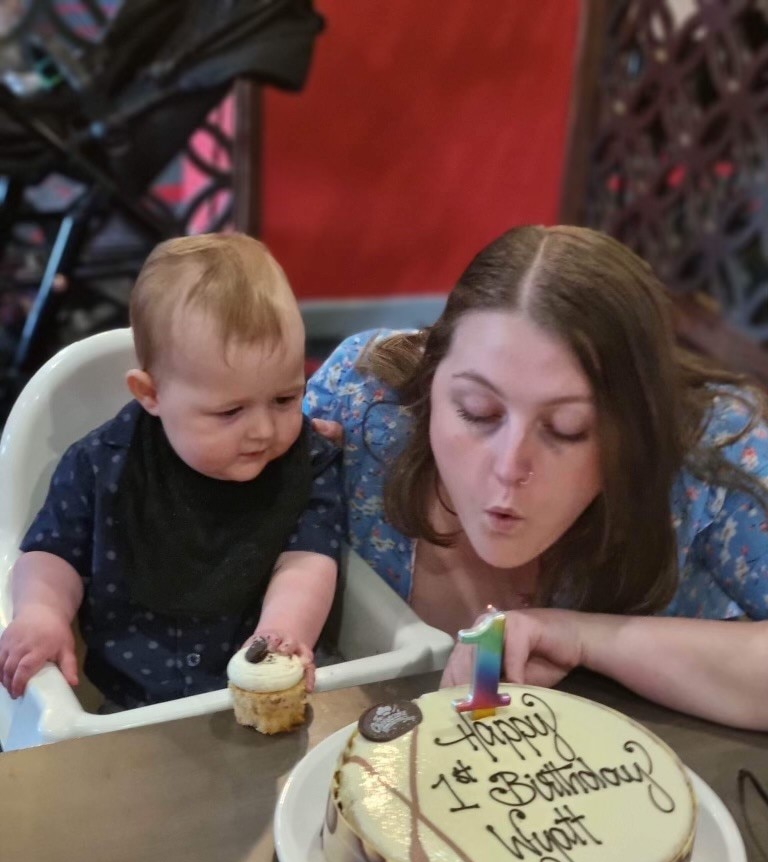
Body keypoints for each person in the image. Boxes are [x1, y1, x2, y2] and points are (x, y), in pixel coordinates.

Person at [306, 225, 768, 730]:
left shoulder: (710, 446)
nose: (509, 467)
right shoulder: (362, 400)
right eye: (478, 412)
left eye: (567, 430)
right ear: (430, 380)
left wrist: (581, 638)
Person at [0, 233, 343, 706]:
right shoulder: (103, 465)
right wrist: (42, 612)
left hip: (267, 691)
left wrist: (282, 633)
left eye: (285, 398)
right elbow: (50, 552)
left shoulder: (308, 461)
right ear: (151, 395)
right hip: (130, 702)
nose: (264, 430)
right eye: (230, 412)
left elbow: (307, 559)